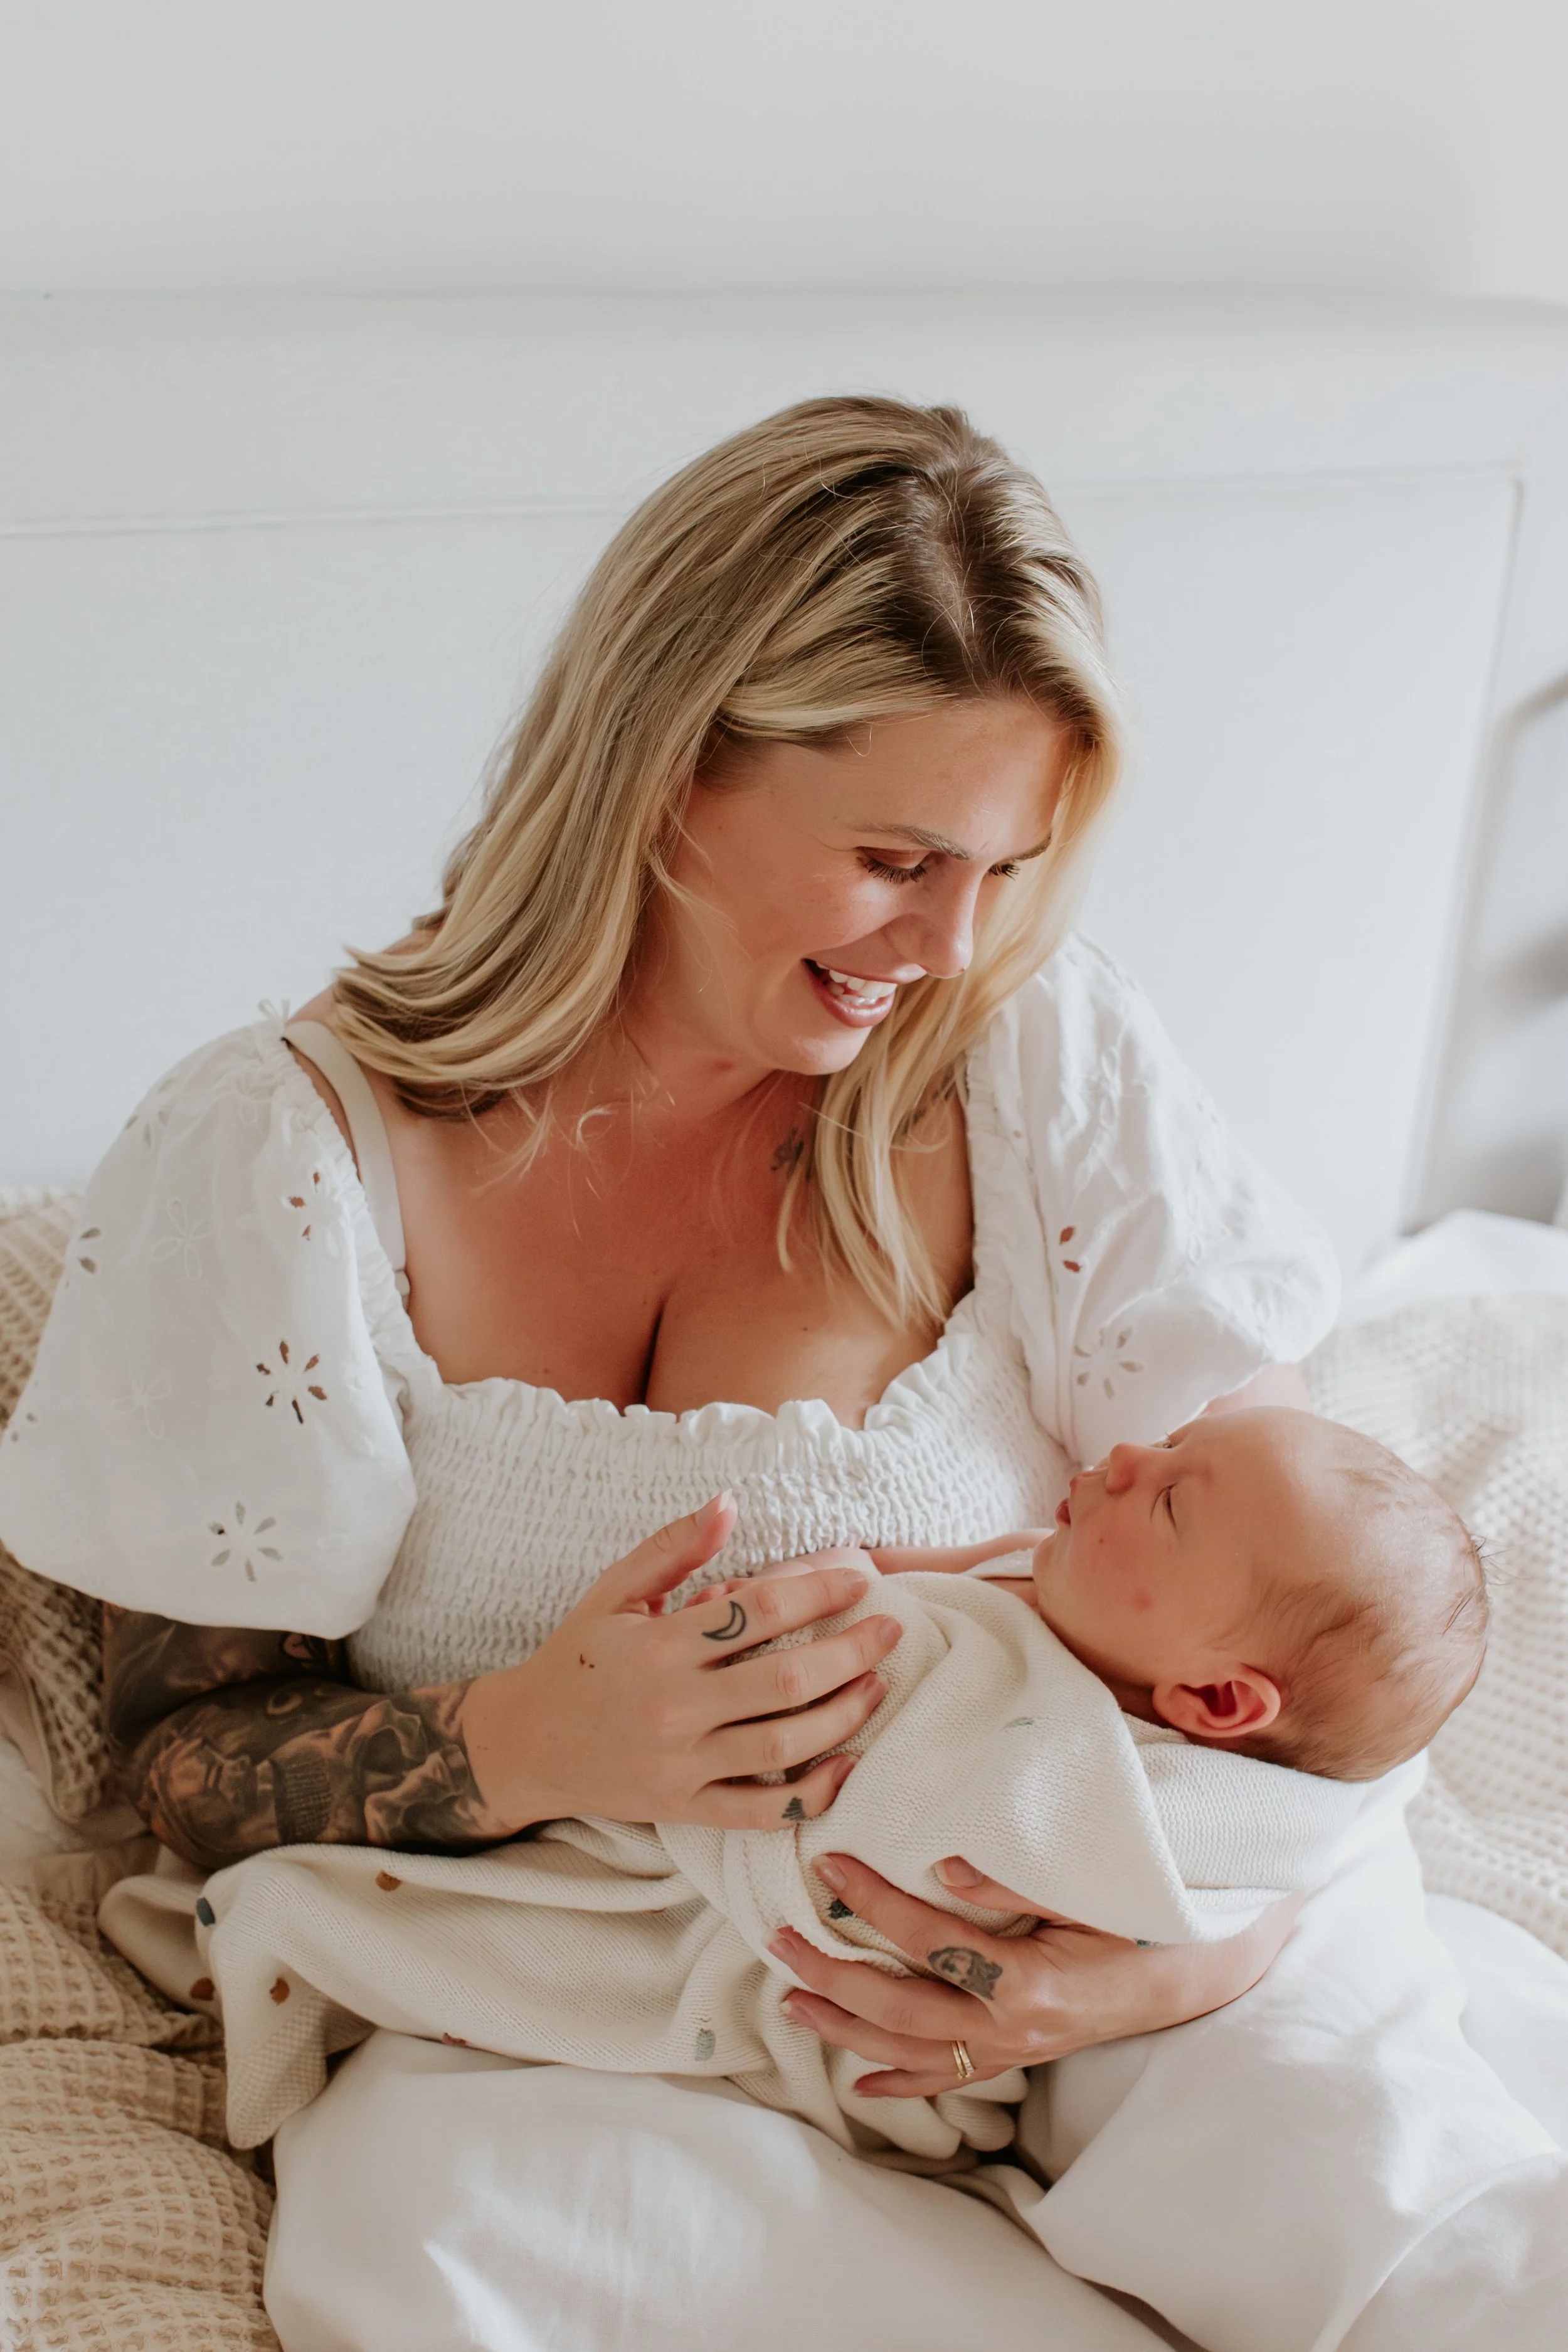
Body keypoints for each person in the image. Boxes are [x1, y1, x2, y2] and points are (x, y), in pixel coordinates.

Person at [4, 398, 1549, 2352]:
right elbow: (166, 1769)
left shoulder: (1026, 1056)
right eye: (894, 854)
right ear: (666, 782)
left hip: (1116, 1927)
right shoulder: (282, 1156)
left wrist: (1158, 1973)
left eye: (1005, 862)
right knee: (433, 2237)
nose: (950, 939)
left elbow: (1323, 1637)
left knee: (1390, 2171)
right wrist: (522, 1745)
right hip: (596, 1987)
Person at [189, 1407, 1488, 2184]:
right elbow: (917, 1578)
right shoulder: (1075, 1595)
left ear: (1215, 1708)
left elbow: (912, 1807)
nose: (1129, 1450)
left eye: (1171, 1497)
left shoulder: (1094, 1779)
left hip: (858, 2016)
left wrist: (1171, 1969)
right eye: (1172, 1442)